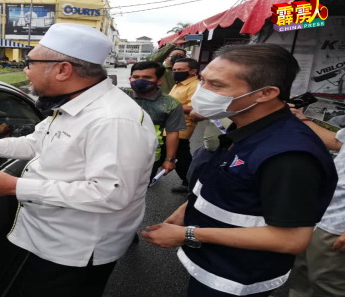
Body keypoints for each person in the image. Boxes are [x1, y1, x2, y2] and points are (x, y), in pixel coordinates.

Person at [0, 23, 157, 297]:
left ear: (63, 69)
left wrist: (14, 186)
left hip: (76, 249)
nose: (26, 70)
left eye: (30, 62)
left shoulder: (113, 120)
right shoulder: (73, 102)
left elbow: (110, 193)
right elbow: (36, 143)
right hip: (50, 236)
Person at [141, 43, 338, 297]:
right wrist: (186, 208)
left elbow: (291, 239)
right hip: (214, 263)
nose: (202, 91)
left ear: (265, 93)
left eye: (217, 85)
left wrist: (188, 233)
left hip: (237, 279)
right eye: (203, 80)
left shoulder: (288, 156)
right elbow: (227, 183)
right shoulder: (246, 126)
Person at [288, 109, 345, 297]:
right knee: (301, 279)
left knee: (328, 284)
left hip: (337, 227)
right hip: (319, 214)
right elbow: (337, 141)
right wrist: (300, 118)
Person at [127, 61, 186, 180]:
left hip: (148, 157)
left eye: (147, 77)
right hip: (115, 152)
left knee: (139, 191)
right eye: (136, 77)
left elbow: (172, 133)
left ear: (159, 80)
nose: (140, 80)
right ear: (130, 78)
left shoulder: (171, 104)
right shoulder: (120, 95)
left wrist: (170, 159)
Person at [167, 58, 200, 192]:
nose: (176, 72)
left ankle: (191, 184)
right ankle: (189, 183)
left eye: (180, 70)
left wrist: (172, 106)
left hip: (181, 127)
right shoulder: (179, 84)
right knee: (178, 157)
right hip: (169, 126)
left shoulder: (195, 86)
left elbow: (196, 109)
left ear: (193, 71)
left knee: (181, 157)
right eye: (174, 69)